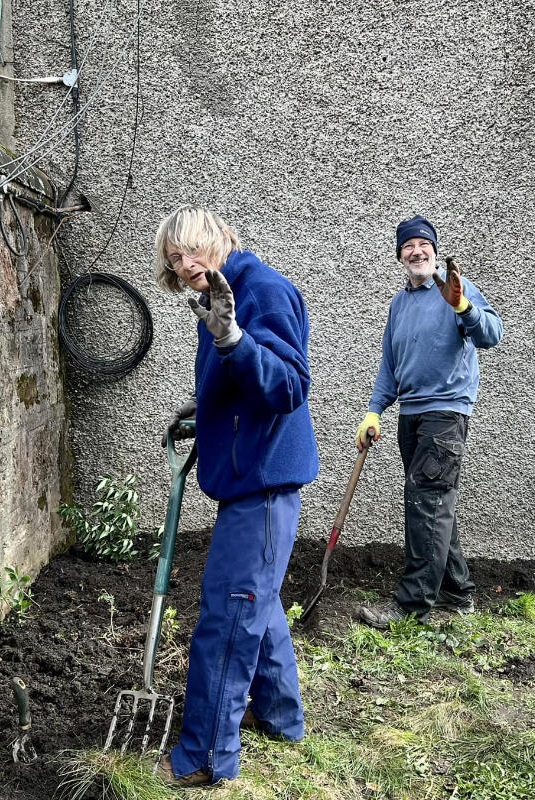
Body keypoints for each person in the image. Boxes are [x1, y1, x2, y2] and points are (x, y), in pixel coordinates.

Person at [153, 205, 318, 787]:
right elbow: (242, 380)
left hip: (265, 482)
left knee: (229, 614)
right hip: (250, 474)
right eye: (174, 259)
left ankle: (204, 757)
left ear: (221, 239)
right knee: (259, 603)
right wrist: (206, 410)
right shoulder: (220, 296)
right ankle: (278, 716)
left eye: (191, 249)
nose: (184, 263)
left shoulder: (263, 290)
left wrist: (232, 336)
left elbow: (288, 386)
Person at [355, 215, 503, 630]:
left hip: (445, 413)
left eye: (424, 244)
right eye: (408, 246)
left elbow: (493, 334)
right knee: (436, 503)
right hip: (411, 414)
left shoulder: (454, 287)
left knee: (426, 505)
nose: (417, 251)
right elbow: (390, 363)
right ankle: (457, 592)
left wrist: (463, 306)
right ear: (399, 255)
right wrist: (374, 409)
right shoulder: (399, 304)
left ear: (435, 251)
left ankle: (413, 605)